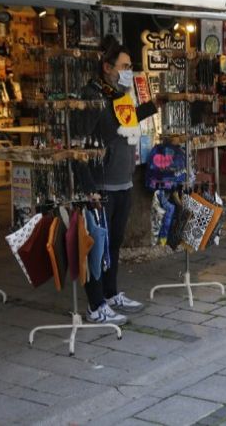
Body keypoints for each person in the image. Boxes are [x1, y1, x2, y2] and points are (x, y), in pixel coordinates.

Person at [81, 35, 158, 325]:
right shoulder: (93, 95)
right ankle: (95, 304)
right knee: (97, 248)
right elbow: (90, 138)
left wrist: (148, 108)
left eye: (130, 66)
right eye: (124, 65)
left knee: (114, 244)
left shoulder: (119, 94)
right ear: (107, 67)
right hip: (102, 183)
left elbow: (123, 124)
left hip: (123, 180)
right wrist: (88, 185)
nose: (128, 70)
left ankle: (111, 294)